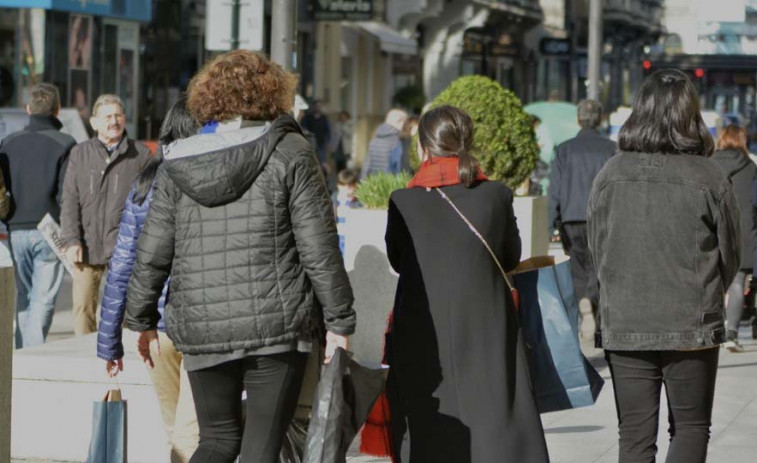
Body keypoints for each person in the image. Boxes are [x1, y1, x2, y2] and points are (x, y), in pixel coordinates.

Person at [124, 50, 356, 463]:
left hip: (202, 324)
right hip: (277, 324)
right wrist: (340, 321)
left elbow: (152, 250)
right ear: (273, 93)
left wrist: (141, 320)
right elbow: (318, 246)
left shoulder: (180, 160)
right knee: (261, 447)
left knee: (215, 440)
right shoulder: (291, 152)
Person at [587, 69, 740, 463]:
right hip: (691, 320)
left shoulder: (610, 174)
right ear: (690, 114)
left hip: (625, 320)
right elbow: (730, 253)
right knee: (690, 427)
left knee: (634, 436)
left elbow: (597, 248)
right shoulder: (709, 176)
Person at [385, 105, 548, 462]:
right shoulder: (496, 195)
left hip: (421, 328)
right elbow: (509, 257)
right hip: (486, 324)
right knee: (493, 418)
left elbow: (398, 261)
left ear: (424, 148)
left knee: (427, 422)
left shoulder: (403, 201)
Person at [97, 97, 199, 462]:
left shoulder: (145, 182)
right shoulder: (210, 180)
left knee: (176, 430)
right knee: (191, 432)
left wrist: (109, 342)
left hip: (155, 329)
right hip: (201, 324)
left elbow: (122, 264)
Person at [60, 94, 150, 336]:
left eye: (118, 115)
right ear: (94, 122)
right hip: (86, 246)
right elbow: (69, 199)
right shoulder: (80, 153)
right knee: (83, 310)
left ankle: (120, 358)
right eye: (107, 116)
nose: (114, 121)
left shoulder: (140, 156)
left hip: (125, 247)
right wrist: (71, 239)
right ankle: (85, 364)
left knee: (123, 310)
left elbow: (150, 203)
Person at [0, 83, 75, 348]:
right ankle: (31, 355)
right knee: (42, 300)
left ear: (28, 109)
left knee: (24, 296)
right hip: (49, 230)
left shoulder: (8, 143)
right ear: (58, 109)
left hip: (15, 229)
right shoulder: (66, 143)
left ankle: (19, 355)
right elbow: (66, 194)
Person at [547, 99, 616, 339]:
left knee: (576, 268)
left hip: (570, 217)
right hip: (600, 216)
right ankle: (592, 302)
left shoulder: (564, 149)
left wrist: (550, 223)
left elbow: (554, 190)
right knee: (598, 266)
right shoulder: (610, 148)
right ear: (600, 119)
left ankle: (582, 305)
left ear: (579, 120)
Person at [711, 125, 757, 352]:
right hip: (742, 231)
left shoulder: (709, 164)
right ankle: (732, 334)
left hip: (712, 229)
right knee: (738, 282)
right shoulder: (750, 167)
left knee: (711, 281)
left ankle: (712, 330)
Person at [361, 109, 409, 178]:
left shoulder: (375, 138)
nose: (407, 127)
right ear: (399, 122)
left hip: (374, 184)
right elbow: (399, 169)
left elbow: (366, 165)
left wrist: (363, 182)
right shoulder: (396, 142)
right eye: (406, 123)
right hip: (391, 184)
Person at [300, 99, 331, 164]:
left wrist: (328, 142)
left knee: (322, 162)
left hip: (321, 143)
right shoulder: (307, 117)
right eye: (317, 106)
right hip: (309, 143)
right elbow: (303, 129)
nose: (318, 108)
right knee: (310, 161)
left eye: (320, 106)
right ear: (314, 107)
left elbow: (328, 131)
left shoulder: (324, 118)